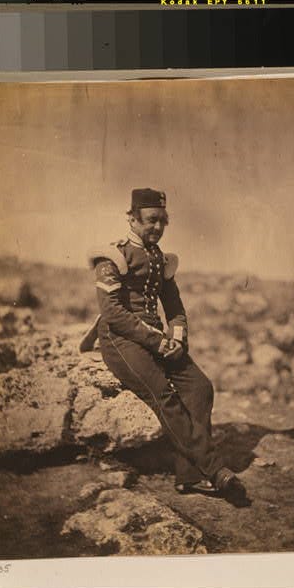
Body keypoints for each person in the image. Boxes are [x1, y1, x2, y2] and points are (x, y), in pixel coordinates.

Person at [84, 188, 248, 506]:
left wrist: (177, 338)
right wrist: (158, 342)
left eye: (162, 221)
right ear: (132, 219)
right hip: (120, 340)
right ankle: (214, 470)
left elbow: (174, 306)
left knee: (200, 387)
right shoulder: (113, 256)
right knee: (164, 396)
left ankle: (188, 475)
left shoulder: (159, 258)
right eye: (150, 220)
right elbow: (113, 313)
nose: (157, 227)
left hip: (156, 340)